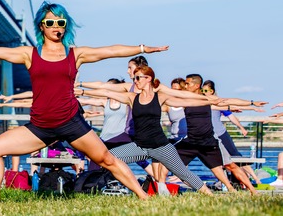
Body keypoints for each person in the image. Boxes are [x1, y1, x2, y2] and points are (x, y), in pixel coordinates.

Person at [0, 1, 169, 202]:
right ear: (42, 26)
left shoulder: (75, 54)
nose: (56, 27)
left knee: (107, 159)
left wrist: (142, 48)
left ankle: (143, 197)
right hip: (40, 126)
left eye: (60, 23)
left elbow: (109, 50)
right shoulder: (30, 54)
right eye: (50, 23)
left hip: (71, 122)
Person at [83, 65, 220, 195]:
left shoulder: (160, 97)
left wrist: (209, 101)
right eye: (134, 78)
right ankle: (140, 192)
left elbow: (186, 101)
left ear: (148, 78)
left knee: (184, 174)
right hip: (139, 147)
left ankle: (210, 195)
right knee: (109, 157)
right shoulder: (132, 98)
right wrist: (81, 90)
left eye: (138, 78)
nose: (135, 81)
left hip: (161, 146)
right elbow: (106, 92)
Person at [175, 74, 265, 194]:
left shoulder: (207, 101)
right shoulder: (185, 100)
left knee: (230, 166)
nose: (185, 86)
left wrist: (252, 103)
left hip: (209, 141)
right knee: (169, 162)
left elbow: (229, 101)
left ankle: (252, 190)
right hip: (191, 141)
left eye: (188, 83)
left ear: (197, 85)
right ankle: (163, 188)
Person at [203, 80, 263, 185]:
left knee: (236, 155)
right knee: (218, 158)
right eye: (202, 90)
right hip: (209, 135)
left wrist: (241, 127)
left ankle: (254, 178)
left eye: (206, 90)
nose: (203, 92)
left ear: (211, 91)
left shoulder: (218, 102)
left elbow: (231, 115)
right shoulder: (200, 102)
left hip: (221, 133)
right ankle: (223, 182)